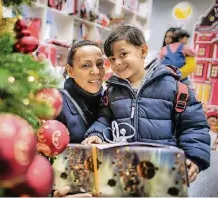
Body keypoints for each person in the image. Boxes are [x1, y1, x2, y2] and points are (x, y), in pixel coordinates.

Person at [83, 25, 211, 183]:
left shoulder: (174, 87)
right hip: (123, 171)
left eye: (123, 54)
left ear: (143, 51)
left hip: (164, 172)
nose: (117, 63)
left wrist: (194, 157)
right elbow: (105, 118)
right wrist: (97, 133)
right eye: (112, 59)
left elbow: (194, 125)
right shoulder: (112, 91)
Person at [53, 40, 105, 197]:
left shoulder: (112, 102)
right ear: (70, 70)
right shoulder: (56, 103)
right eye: (86, 65)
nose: (95, 71)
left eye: (99, 63)